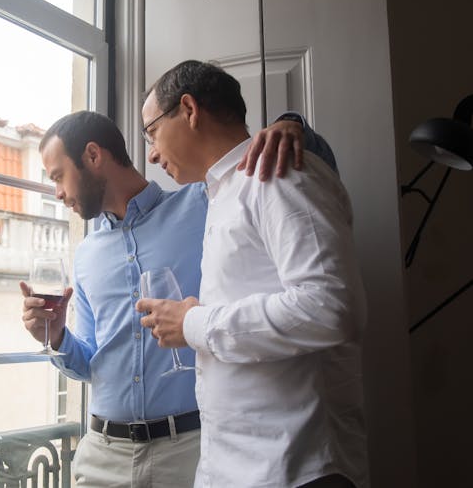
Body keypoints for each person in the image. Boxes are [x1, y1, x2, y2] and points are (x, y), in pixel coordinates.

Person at [20, 109, 336, 487]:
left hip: (192, 450)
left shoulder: (203, 203)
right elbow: (91, 361)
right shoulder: (86, 253)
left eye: (58, 176)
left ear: (92, 155)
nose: (57, 193)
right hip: (103, 456)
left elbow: (295, 175)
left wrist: (292, 125)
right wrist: (56, 336)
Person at [136, 60, 368, 488]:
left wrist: (193, 323)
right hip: (239, 466)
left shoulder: (279, 172)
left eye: (151, 132)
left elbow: (331, 308)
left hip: (298, 467)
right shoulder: (223, 193)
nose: (150, 153)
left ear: (189, 109)